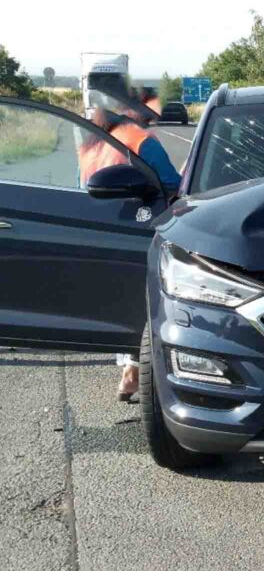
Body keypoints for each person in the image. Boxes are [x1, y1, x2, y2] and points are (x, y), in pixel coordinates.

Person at [78, 86, 182, 401]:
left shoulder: (91, 142)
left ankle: (129, 368)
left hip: (94, 228)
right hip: (134, 223)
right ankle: (135, 368)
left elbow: (81, 186)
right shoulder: (140, 141)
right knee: (145, 296)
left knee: (117, 296)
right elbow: (172, 187)